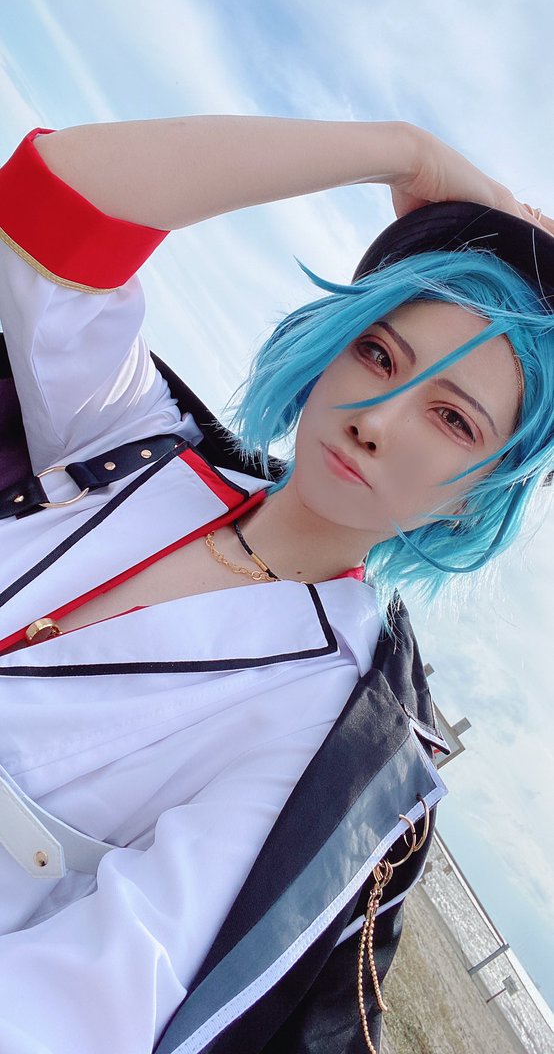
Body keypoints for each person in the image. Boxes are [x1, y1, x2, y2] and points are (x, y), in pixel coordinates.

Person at [0, 116, 552, 1054]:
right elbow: (51, 202)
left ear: (478, 497)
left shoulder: (322, 726)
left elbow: (91, 1001)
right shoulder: (135, 445)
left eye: (453, 419)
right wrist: (403, 152)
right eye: (378, 354)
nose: (377, 419)